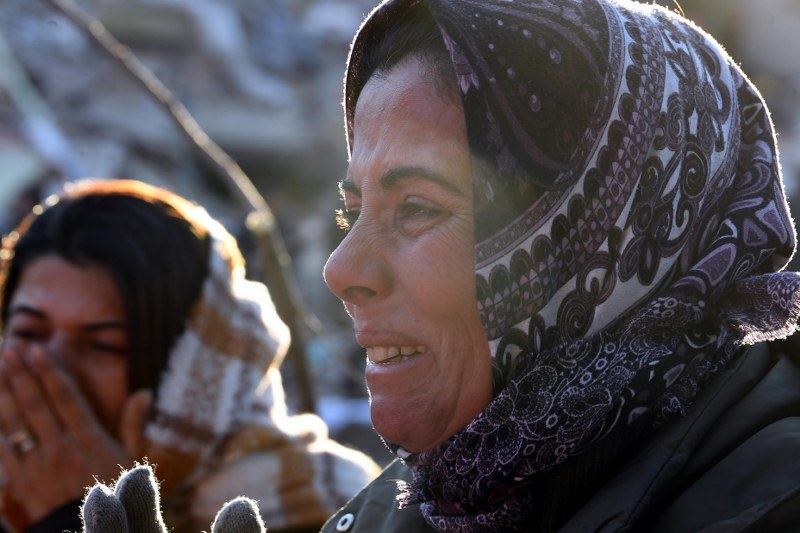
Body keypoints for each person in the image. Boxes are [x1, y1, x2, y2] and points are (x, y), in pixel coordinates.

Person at [82, 0, 800, 531]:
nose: (341, 269)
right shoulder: (415, 505)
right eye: (350, 210)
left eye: (418, 208)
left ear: (606, 232)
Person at [0, 178, 380, 532]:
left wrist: (66, 513)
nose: (48, 366)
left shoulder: (341, 511)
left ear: (189, 372)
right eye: (28, 333)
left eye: (103, 346)